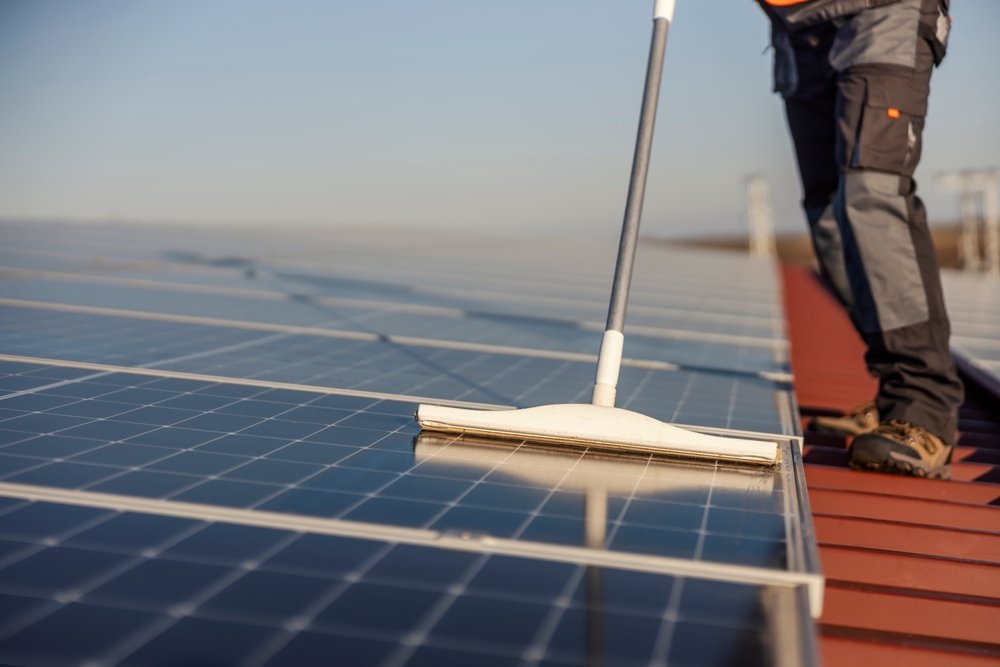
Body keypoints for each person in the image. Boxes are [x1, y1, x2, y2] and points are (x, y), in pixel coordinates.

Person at [756, 0, 963, 478]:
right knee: (827, 215)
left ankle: (923, 410)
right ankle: (895, 397)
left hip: (882, 12)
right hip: (797, 32)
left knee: (873, 192)